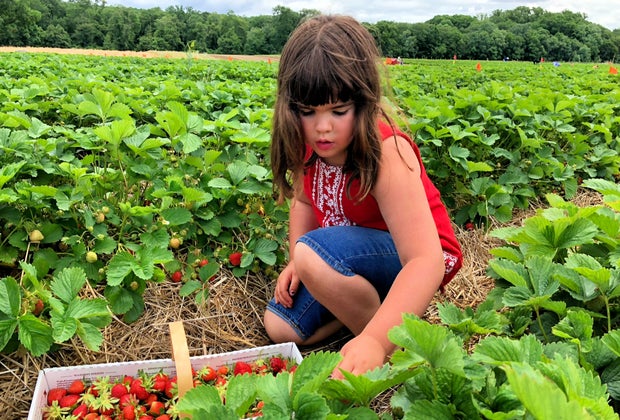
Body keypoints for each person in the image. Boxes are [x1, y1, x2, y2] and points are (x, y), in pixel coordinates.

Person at [264, 14, 462, 379]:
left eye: (338, 112)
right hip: (348, 258)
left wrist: (373, 340)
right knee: (280, 325)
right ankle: (372, 315)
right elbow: (304, 203)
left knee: (311, 254)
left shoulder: (386, 153)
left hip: (411, 257)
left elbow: (425, 259)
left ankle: (383, 340)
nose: (323, 127)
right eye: (308, 112)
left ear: (364, 102)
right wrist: (297, 262)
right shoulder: (308, 144)